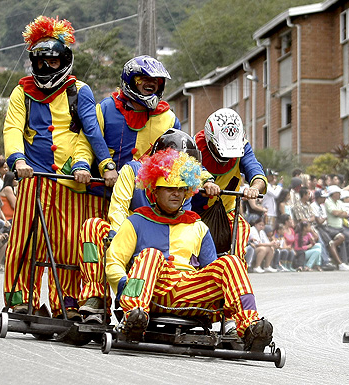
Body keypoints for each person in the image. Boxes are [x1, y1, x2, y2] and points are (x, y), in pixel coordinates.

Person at [105, 149, 274, 351]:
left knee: (231, 261)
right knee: (151, 254)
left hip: (190, 291)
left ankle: (251, 326)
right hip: (152, 292)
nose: (176, 193)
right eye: (169, 188)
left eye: (181, 188)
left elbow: (212, 270)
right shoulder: (135, 222)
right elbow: (114, 262)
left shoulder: (198, 226)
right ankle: (133, 317)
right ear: (154, 191)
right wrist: (124, 286)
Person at [2, 16, 102, 320]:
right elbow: (12, 128)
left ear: (65, 60)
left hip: (70, 181)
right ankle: (21, 299)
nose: (47, 67)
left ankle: (66, 304)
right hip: (34, 177)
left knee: (70, 244)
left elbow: (87, 134)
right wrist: (18, 160)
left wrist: (83, 164)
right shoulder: (21, 92)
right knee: (25, 239)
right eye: (41, 62)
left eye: (53, 61)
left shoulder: (80, 91)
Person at [77, 129, 215, 321]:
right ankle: (96, 296)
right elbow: (118, 207)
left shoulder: (183, 186)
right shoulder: (132, 170)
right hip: (130, 235)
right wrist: (120, 237)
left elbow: (182, 222)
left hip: (157, 253)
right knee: (92, 227)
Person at [76, 55, 180, 192]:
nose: (151, 83)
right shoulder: (106, 108)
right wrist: (81, 166)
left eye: (156, 80)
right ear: (130, 80)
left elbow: (178, 157)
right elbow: (86, 143)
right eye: (143, 79)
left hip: (144, 197)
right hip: (103, 194)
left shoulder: (169, 119)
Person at [190, 109, 267, 261]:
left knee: (242, 229)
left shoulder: (244, 146)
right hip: (195, 212)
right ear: (210, 141)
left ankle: (236, 265)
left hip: (226, 211)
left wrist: (254, 188)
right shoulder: (194, 145)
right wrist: (207, 182)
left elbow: (255, 170)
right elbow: (195, 167)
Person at [325, 185, 349, 271]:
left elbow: (347, 214)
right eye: (338, 193)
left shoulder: (339, 202)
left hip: (340, 227)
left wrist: (340, 213)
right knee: (342, 239)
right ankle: (343, 262)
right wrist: (340, 213)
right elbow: (334, 213)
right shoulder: (328, 201)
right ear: (334, 194)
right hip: (331, 228)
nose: (340, 195)